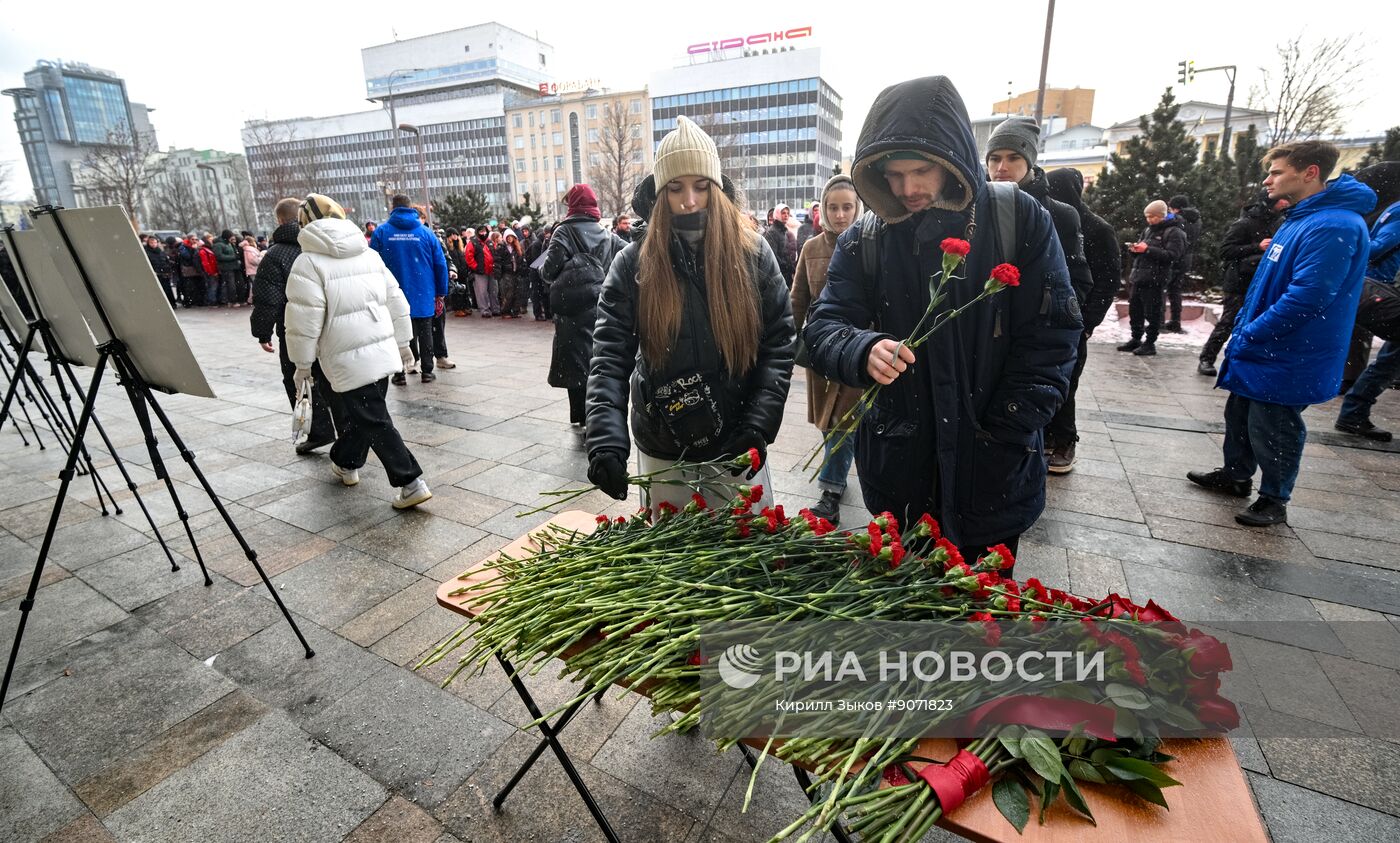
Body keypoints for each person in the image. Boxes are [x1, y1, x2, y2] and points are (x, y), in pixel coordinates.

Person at [805, 75, 1080, 559]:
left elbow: (1053, 333)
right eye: (892, 175)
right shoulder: (866, 238)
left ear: (950, 161)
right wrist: (862, 348)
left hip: (994, 469)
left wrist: (1008, 424)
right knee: (910, 615)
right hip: (899, 471)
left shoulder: (1019, 218)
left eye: (920, 172)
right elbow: (822, 327)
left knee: (984, 619)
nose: (906, 188)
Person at [587, 117, 794, 514]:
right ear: (659, 193)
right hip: (664, 443)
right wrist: (606, 438)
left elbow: (779, 344)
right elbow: (609, 357)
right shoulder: (632, 263)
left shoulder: (753, 254)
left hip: (736, 441)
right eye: (675, 188)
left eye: (701, 187)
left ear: (716, 189)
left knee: (746, 560)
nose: (689, 201)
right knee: (669, 558)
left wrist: (757, 426)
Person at [1190, 141, 1376, 527]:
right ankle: (1236, 475)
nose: (1267, 179)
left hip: (1289, 351)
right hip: (1264, 346)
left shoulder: (1333, 225)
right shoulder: (1301, 218)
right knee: (1241, 412)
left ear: (1310, 172)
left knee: (1275, 425)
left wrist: (1253, 332)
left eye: (1276, 172)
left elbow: (1308, 297)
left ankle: (1274, 498)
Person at [283, 194, 431, 510]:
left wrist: (302, 363)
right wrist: (404, 343)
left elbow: (303, 320)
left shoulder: (307, 262)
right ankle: (345, 462)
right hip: (380, 349)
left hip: (343, 356)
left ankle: (411, 481)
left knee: (373, 419)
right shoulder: (369, 255)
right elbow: (396, 300)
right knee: (367, 414)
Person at [986, 117, 1094, 474]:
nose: (1002, 167)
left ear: (1030, 162)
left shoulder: (1059, 214)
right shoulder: (977, 208)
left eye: (1013, 158)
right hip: (987, 332)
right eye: (994, 158)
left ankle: (1060, 442)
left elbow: (1077, 280)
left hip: (1036, 331)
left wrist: (1064, 323)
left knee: (1039, 405)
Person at [791, 175, 862, 524]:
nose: (840, 214)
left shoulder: (870, 243)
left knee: (844, 421)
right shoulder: (811, 247)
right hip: (820, 350)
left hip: (858, 350)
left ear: (858, 207)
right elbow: (798, 297)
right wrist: (787, 339)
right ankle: (839, 470)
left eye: (847, 206)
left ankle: (830, 489)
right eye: (833, 207)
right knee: (826, 421)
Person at [251, 197, 339, 454]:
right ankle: (346, 430)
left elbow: (268, 300)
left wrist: (262, 332)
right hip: (330, 325)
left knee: (299, 380)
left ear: (279, 221)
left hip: (294, 330)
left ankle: (319, 430)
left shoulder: (275, 255)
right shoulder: (321, 247)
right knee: (331, 379)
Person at [544, 184, 629, 428]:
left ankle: (579, 415)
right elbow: (627, 257)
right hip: (601, 305)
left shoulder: (564, 232)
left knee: (574, 362)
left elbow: (549, 270)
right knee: (598, 358)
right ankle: (598, 412)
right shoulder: (606, 234)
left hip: (572, 310)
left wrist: (544, 271)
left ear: (572, 204)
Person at [1334, 162, 1400, 441]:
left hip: (1382, 286)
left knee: (1390, 360)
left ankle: (1354, 411)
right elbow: (1378, 246)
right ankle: (1353, 410)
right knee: (1389, 360)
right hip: (1384, 287)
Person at [1199, 193, 1289, 377]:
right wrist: (1257, 247)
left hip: (1263, 282)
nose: (1287, 202)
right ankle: (1207, 358)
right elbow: (1225, 251)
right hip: (1239, 282)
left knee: (1258, 323)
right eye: (1283, 199)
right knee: (1228, 322)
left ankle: (1243, 361)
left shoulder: (1281, 223)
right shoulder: (1245, 223)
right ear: (1272, 202)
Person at [370, 194, 450, 384]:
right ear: (411, 208)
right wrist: (441, 292)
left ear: (393, 207)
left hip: (392, 293)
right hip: (423, 290)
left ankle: (399, 373)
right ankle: (427, 371)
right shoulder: (426, 233)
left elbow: (371, 265)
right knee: (425, 331)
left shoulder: (381, 233)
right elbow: (440, 264)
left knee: (397, 333)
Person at [1119, 200, 1186, 356]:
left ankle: (1150, 343)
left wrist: (1148, 249)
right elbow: (1143, 251)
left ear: (1162, 215)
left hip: (1155, 279)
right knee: (1135, 310)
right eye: (1147, 216)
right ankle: (1136, 338)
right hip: (1139, 276)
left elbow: (1172, 255)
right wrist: (1135, 250)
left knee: (1153, 312)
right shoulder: (1148, 230)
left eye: (1153, 216)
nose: (1149, 220)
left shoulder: (1174, 232)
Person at [1162, 194, 1201, 333]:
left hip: (1174, 257)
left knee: (1163, 289)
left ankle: (1159, 322)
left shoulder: (1177, 219)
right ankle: (1175, 321)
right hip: (1186, 258)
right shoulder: (1196, 219)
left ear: (1175, 208)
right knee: (1175, 290)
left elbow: (1164, 221)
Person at [463, 225, 498, 317]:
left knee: (494, 290)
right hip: (480, 272)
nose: (483, 233)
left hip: (491, 271)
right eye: (481, 232)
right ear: (477, 233)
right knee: (481, 292)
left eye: (484, 231)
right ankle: (485, 310)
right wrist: (476, 267)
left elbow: (495, 253)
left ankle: (495, 308)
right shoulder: (473, 243)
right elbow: (468, 257)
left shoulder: (490, 242)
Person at [764, 203, 798, 288]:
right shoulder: (772, 232)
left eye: (787, 213)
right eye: (783, 213)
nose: (786, 215)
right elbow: (773, 256)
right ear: (777, 214)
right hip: (778, 275)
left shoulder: (784, 231)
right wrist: (786, 266)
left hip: (785, 275)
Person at [498, 229, 525, 318]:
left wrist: (522, 269)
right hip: (506, 273)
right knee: (507, 293)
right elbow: (498, 261)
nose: (510, 238)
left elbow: (521, 260)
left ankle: (515, 311)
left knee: (518, 292)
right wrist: (499, 273)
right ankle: (505, 312)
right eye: (508, 237)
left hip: (516, 273)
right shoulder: (501, 247)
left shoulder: (518, 247)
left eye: (511, 237)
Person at [214, 230, 244, 307]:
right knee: (231, 285)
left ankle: (240, 299)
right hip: (227, 268)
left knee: (239, 283)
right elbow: (219, 256)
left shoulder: (230, 244)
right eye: (231, 236)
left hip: (235, 267)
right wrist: (233, 257)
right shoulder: (218, 245)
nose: (233, 238)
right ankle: (232, 301)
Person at [144, 235, 175, 307]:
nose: (154, 244)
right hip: (157, 273)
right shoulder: (147, 252)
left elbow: (165, 261)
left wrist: (169, 268)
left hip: (164, 273)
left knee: (167, 289)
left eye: (155, 242)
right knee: (161, 290)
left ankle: (171, 303)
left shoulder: (160, 251)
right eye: (151, 243)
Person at [198, 236, 221, 305]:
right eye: (210, 239)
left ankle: (213, 300)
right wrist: (212, 272)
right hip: (211, 272)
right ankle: (212, 301)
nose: (212, 240)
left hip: (213, 271)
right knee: (212, 286)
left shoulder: (207, 250)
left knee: (213, 286)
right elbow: (206, 264)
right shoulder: (203, 251)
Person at [241, 235, 263, 305]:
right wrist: (261, 258)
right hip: (253, 270)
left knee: (254, 285)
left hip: (252, 270)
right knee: (255, 285)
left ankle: (252, 299)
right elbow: (253, 260)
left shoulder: (248, 249)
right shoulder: (249, 250)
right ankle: (253, 299)